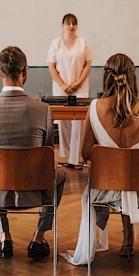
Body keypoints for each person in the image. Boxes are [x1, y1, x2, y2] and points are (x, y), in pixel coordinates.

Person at [63, 53, 139, 272]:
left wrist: (111, 160)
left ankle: (118, 239)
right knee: (131, 177)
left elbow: (84, 153)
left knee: (117, 180)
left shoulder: (94, 108)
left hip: (107, 190)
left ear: (106, 77)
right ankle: (128, 239)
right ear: (132, 77)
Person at [0, 46, 66, 262]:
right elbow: (47, 155)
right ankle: (38, 237)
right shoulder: (43, 110)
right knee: (61, 175)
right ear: (25, 72)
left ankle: (4, 236)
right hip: (34, 191)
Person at [47, 13, 93, 167]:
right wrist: (62, 85)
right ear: (63, 25)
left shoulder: (83, 42)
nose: (71, 26)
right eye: (68, 23)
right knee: (63, 122)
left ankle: (77, 158)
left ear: (77, 26)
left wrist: (77, 83)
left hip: (80, 87)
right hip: (61, 88)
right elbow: (52, 66)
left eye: (74, 23)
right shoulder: (56, 43)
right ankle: (66, 158)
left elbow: (88, 64)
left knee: (79, 123)